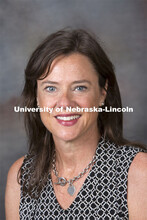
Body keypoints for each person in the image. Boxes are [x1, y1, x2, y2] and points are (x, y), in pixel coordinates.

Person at [5, 29, 147, 220]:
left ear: (102, 93)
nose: (65, 103)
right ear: (37, 97)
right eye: (51, 88)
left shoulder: (138, 173)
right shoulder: (22, 176)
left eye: (80, 87)